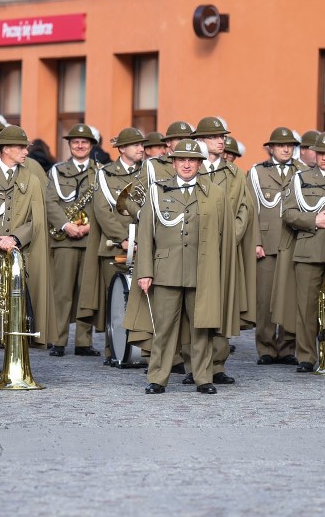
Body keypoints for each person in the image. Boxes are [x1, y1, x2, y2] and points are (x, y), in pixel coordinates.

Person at [135, 139, 237, 395]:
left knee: (202, 327)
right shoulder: (157, 191)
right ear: (174, 162)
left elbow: (224, 235)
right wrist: (145, 271)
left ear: (200, 163)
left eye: (192, 160)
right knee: (164, 327)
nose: (187, 164)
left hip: (202, 269)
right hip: (166, 270)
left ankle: (203, 377)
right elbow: (146, 235)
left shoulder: (214, 193)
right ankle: (158, 377)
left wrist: (220, 273)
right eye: (182, 159)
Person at [0, 125, 56, 387]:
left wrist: (15, 238)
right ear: (5, 149)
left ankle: (13, 364)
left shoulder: (32, 179)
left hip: (18, 253)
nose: (26, 151)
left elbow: (36, 220)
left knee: (15, 312)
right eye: (21, 147)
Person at [188, 116, 255, 385]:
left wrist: (230, 236)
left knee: (223, 304)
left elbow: (244, 209)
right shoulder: (192, 169)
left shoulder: (235, 173)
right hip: (195, 249)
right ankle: (193, 365)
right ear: (201, 141)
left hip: (226, 250)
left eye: (223, 136)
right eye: (215, 136)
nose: (221, 140)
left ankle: (217, 365)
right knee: (193, 306)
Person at [77, 127, 147, 365]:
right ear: (122, 149)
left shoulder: (148, 173)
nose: (141, 148)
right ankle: (113, 350)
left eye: (142, 145)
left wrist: (142, 239)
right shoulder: (105, 174)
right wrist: (123, 238)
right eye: (135, 145)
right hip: (114, 244)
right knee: (113, 299)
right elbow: (102, 211)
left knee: (141, 297)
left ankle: (141, 347)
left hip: (143, 244)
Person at [281, 131, 325, 373]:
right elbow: (287, 213)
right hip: (308, 249)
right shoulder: (301, 178)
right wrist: (312, 220)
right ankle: (306, 356)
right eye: (321, 153)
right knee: (305, 307)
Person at [249, 126, 306, 365]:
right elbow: (251, 209)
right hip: (268, 242)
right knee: (265, 299)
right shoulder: (256, 173)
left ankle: (287, 347)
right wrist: (255, 242)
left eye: (290, 145)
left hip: (294, 240)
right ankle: (266, 348)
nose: (286, 149)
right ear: (270, 148)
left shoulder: (303, 172)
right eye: (281, 145)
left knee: (291, 296)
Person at [44, 123, 101, 357]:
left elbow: (104, 205)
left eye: (84, 142)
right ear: (69, 145)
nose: (79, 145)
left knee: (87, 292)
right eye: (75, 142)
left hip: (90, 239)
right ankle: (58, 340)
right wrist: (66, 225)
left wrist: (89, 227)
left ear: (91, 146)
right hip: (64, 239)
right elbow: (50, 202)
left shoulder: (100, 172)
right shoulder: (57, 171)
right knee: (62, 292)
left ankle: (83, 342)